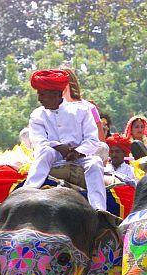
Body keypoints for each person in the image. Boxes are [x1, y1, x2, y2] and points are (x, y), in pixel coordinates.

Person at [24, 69, 107, 210]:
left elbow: (93, 141)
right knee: (45, 152)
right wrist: (59, 147)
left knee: (95, 162)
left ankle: (99, 210)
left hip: (79, 157)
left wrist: (78, 152)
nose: (39, 99)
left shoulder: (81, 111)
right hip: (53, 156)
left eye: (42, 94)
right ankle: (27, 192)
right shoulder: (37, 115)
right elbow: (39, 142)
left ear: (56, 94)